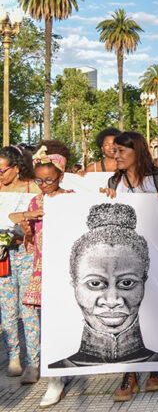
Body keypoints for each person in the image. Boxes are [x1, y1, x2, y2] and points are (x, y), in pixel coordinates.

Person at [96, 132, 158, 400]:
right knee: (128, 312)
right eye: (113, 151)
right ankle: (128, 374)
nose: (114, 155)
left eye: (120, 151)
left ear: (136, 152)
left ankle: (156, 368)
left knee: (156, 312)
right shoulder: (114, 182)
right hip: (126, 262)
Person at [50, 203, 158, 368]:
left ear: (144, 280)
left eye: (127, 283)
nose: (112, 300)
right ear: (74, 282)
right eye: (95, 283)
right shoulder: (57, 368)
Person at [12, 141, 73, 407]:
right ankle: (54, 379)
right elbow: (26, 232)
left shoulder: (72, 197)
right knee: (48, 324)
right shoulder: (36, 200)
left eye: (49, 180)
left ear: (60, 176)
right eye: (39, 181)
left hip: (67, 269)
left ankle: (64, 371)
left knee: (66, 322)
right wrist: (27, 228)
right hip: (42, 268)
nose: (44, 185)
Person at [0, 146, 39, 382]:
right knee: (6, 308)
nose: (0, 175)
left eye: (3, 170)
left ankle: (33, 362)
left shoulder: (31, 187)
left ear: (16, 167)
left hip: (26, 252)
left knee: (28, 308)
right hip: (3, 255)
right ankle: (13, 356)